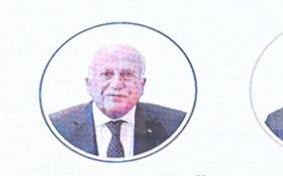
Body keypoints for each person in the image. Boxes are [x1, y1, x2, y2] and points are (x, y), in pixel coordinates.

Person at [49, 44, 185, 159]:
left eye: (127, 74)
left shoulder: (176, 125)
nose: (116, 84)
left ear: (142, 84)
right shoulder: (57, 126)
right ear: (89, 84)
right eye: (106, 74)